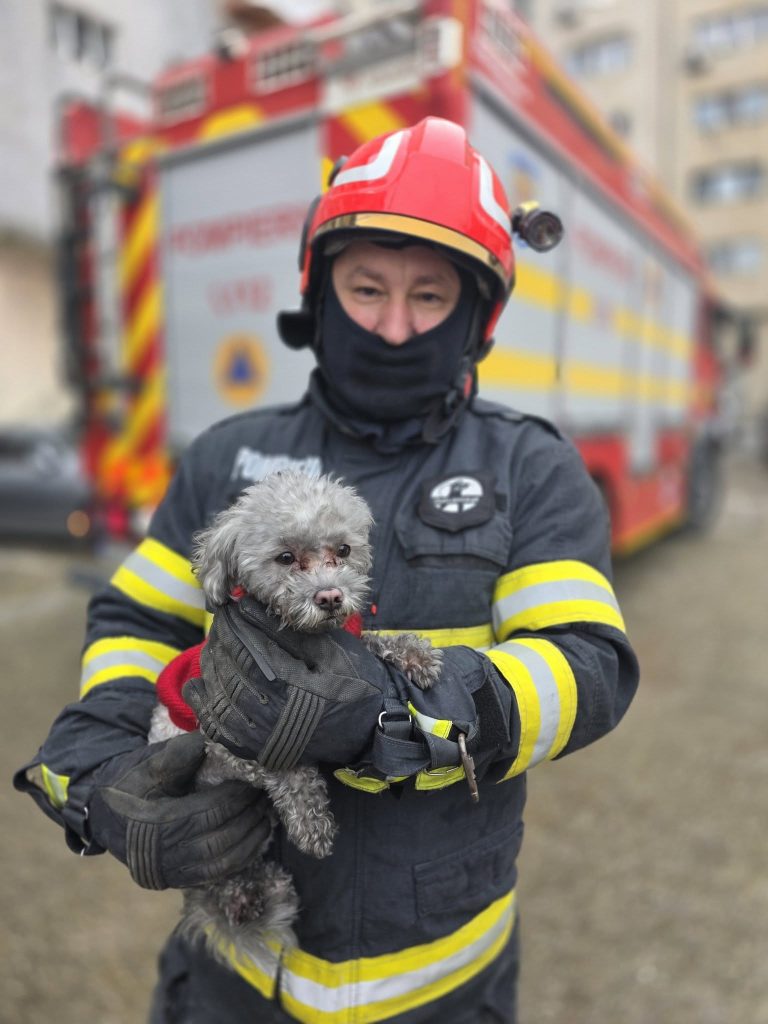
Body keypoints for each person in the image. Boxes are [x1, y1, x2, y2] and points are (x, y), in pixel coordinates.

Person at [14, 117, 638, 1023]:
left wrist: (394, 714)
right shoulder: (227, 455)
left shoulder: (531, 469)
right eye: (366, 288)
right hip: (230, 985)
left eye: (428, 299)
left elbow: (588, 667)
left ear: (476, 317)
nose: (392, 327)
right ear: (319, 287)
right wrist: (104, 776)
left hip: (440, 989)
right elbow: (136, 625)